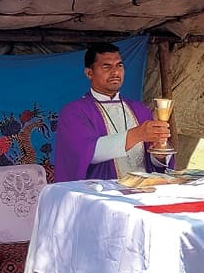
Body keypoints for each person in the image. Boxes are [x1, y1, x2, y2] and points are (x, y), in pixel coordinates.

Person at [54, 42, 173, 182]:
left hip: (144, 188)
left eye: (119, 66)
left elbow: (153, 162)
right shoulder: (74, 112)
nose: (115, 72)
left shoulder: (140, 109)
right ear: (89, 73)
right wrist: (137, 134)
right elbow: (88, 153)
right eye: (107, 66)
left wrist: (159, 153)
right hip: (101, 191)